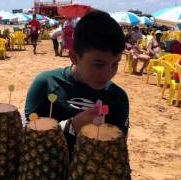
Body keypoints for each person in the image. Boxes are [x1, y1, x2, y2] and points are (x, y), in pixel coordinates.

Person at [24, 11, 129, 160]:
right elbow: (25, 140)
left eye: (115, 63)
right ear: (74, 57)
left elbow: (117, 157)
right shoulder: (45, 84)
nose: (108, 74)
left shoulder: (118, 98)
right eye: (99, 64)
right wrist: (70, 127)